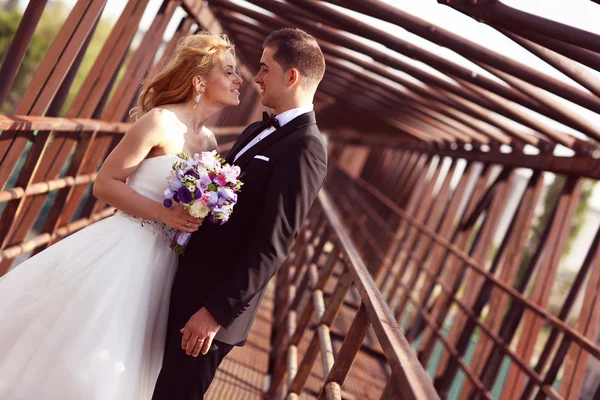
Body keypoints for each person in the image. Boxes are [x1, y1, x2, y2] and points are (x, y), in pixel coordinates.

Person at [0, 32, 242, 399]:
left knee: (117, 363)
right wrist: (168, 216)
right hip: (123, 252)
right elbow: (105, 184)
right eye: (229, 71)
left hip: (164, 266)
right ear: (200, 82)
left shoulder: (208, 142)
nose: (238, 79)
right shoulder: (159, 123)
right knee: (82, 356)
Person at [152, 28, 328, 399]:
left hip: (210, 310)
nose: (256, 77)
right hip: (185, 285)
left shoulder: (306, 148)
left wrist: (215, 313)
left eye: (265, 69)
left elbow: (273, 244)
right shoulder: (255, 130)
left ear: (291, 76)